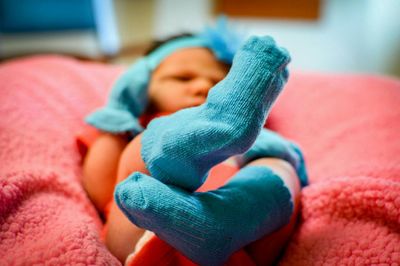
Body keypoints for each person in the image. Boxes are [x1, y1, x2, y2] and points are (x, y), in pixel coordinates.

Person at [81, 21, 308, 265]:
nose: (202, 86)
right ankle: (208, 129)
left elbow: (299, 177)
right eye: (182, 78)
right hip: (143, 234)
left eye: (219, 84)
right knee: (138, 152)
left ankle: (222, 224)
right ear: (141, 85)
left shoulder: (255, 138)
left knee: (280, 165)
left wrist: (279, 158)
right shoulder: (131, 129)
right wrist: (120, 108)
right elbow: (99, 190)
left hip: (239, 248)